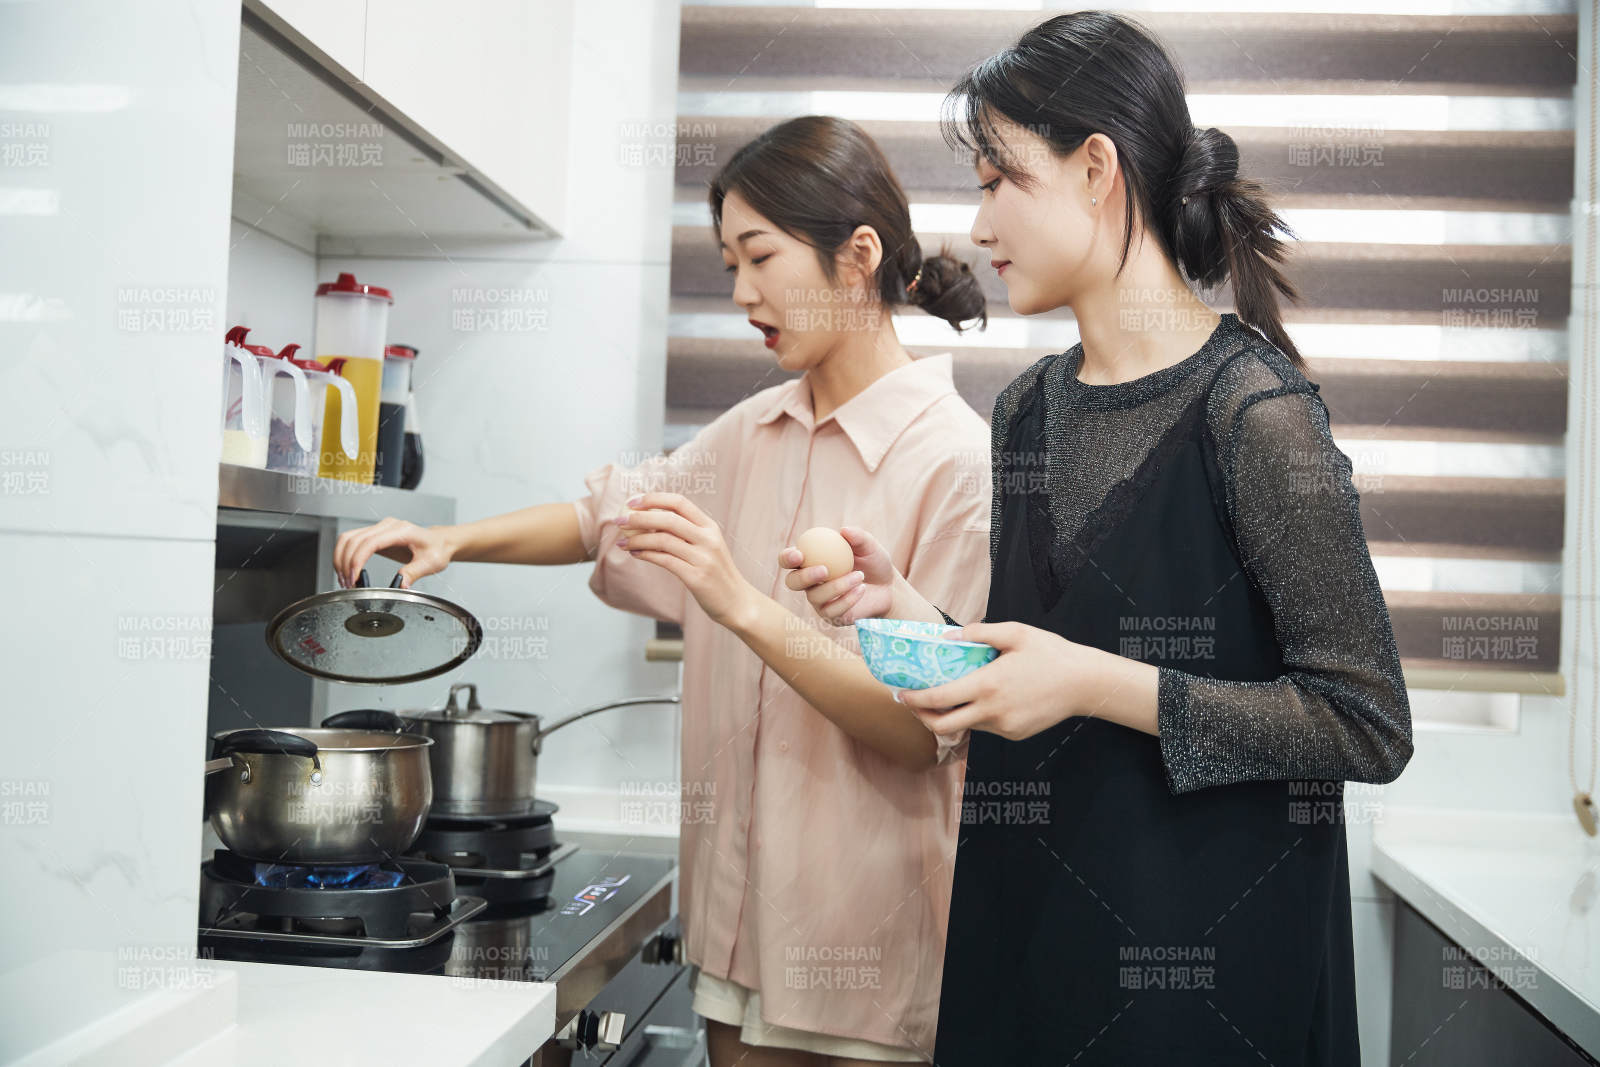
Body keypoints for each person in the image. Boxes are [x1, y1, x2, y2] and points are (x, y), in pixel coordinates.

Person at [786, 14, 1413, 1064]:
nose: (977, 224)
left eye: (998, 180)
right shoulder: (1026, 406)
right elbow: (1043, 658)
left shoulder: (1256, 412)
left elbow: (1365, 723)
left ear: (1094, 170)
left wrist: (1092, 681)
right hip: (1026, 947)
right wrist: (905, 611)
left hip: (1203, 987)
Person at [334, 115, 993, 1065]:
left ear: (858, 257)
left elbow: (922, 729)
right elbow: (605, 516)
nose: (740, 292)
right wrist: (452, 538)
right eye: (729, 262)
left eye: (759, 257)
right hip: (732, 932)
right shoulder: (751, 431)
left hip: (863, 954)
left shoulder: (957, 461)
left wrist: (741, 604)